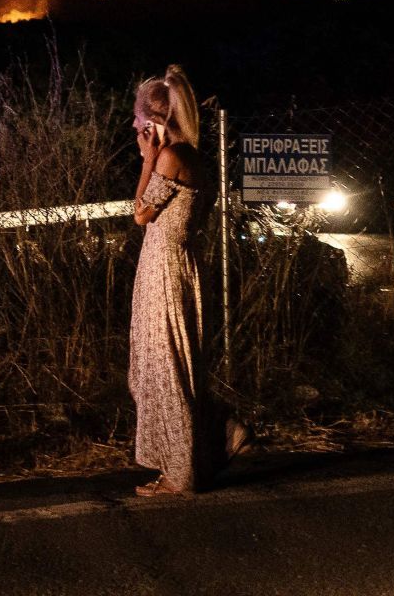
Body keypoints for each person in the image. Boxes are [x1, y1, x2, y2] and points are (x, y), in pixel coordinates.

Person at [128, 64, 245, 495]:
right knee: (169, 366)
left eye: (140, 118)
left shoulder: (171, 157)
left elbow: (141, 213)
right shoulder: (191, 156)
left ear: (156, 122)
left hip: (166, 270)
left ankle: (180, 474)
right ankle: (217, 438)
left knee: (168, 370)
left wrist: (147, 161)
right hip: (177, 264)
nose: (134, 125)